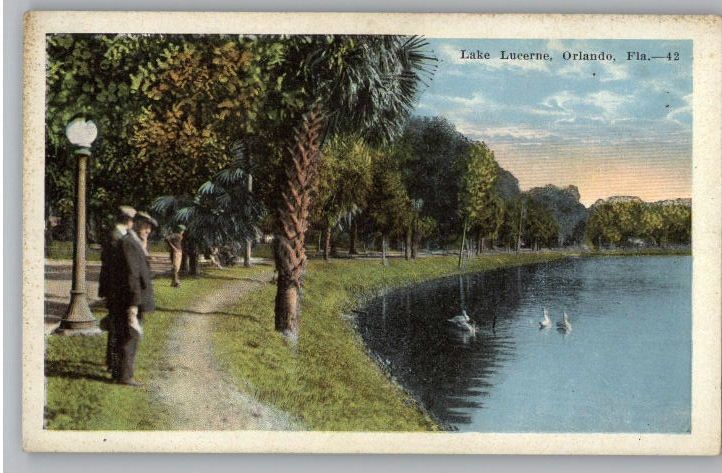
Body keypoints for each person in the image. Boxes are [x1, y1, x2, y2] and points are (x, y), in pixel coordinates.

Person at [114, 210, 157, 387]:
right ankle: (125, 376)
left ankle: (121, 373)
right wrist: (133, 303)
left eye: (150, 229)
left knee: (129, 335)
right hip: (132, 299)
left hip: (134, 298)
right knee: (130, 336)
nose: (148, 231)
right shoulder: (129, 243)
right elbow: (132, 275)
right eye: (146, 227)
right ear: (137, 224)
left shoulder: (134, 243)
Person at [98, 205, 136, 375]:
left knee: (115, 326)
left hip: (114, 288)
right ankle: (113, 363)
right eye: (132, 220)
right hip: (116, 289)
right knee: (115, 327)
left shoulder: (117, 234)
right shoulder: (116, 237)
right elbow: (115, 267)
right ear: (127, 220)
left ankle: (111, 361)